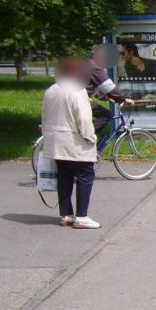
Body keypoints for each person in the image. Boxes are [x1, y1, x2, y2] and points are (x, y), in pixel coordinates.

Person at [42, 57, 100, 229]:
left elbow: (44, 116)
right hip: (74, 142)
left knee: (64, 177)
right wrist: (90, 137)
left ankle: (66, 214)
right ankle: (82, 216)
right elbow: (83, 118)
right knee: (85, 175)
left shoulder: (51, 90)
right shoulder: (77, 90)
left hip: (55, 142)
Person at [86, 45, 134, 133]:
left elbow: (95, 88)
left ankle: (83, 134)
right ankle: (86, 137)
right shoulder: (94, 66)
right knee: (106, 114)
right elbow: (108, 87)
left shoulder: (88, 64)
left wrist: (107, 98)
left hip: (75, 99)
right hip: (79, 100)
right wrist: (123, 99)